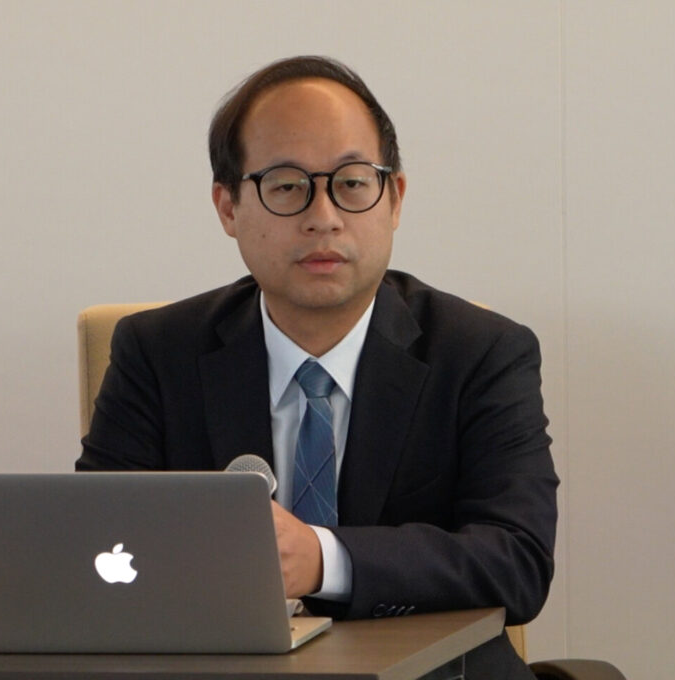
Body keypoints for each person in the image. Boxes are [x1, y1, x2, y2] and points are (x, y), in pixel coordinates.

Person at [77, 55, 558, 679]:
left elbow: (518, 561)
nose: (324, 216)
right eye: (286, 186)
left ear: (395, 199)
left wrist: (323, 558)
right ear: (228, 207)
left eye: (352, 183)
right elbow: (96, 547)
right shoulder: (156, 352)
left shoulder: (481, 353)